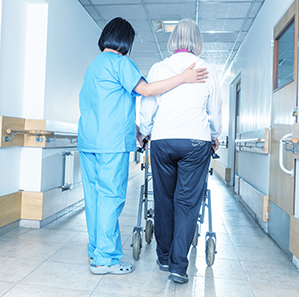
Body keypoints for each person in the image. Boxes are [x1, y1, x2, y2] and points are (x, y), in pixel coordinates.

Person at [78, 17, 209, 276]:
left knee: (94, 199)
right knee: (110, 198)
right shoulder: (120, 62)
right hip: (110, 144)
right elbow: (148, 91)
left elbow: (106, 104)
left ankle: (97, 250)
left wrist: (138, 131)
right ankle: (105, 260)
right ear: (126, 41)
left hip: (88, 141)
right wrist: (184, 77)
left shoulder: (94, 66)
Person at [138, 18, 222, 283]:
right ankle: (178, 266)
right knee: (187, 204)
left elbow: (147, 108)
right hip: (196, 142)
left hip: (162, 140)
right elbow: (216, 112)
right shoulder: (208, 69)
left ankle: (163, 257)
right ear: (198, 41)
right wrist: (215, 135)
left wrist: (145, 130)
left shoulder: (158, 67)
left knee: (164, 199)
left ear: (173, 40)